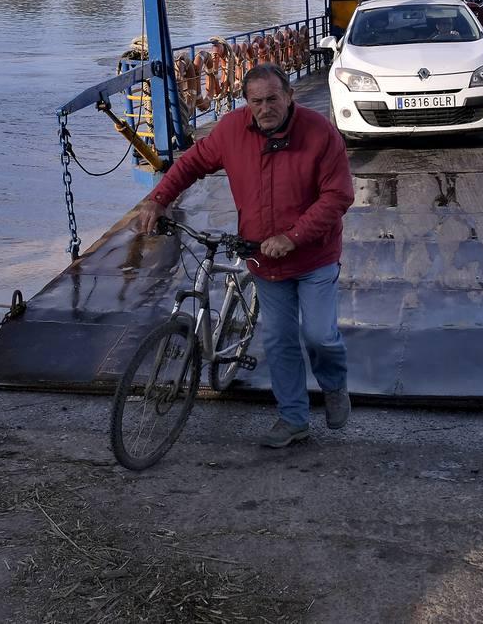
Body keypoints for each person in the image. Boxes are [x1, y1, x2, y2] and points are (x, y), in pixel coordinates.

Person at [135, 63, 355, 449]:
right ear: (246, 103)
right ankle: (293, 419)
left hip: (314, 256)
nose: (266, 107)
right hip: (263, 260)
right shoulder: (231, 131)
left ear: (290, 96)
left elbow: (338, 196)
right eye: (257, 101)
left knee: (320, 336)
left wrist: (294, 236)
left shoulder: (321, 134)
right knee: (279, 340)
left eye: (273, 98)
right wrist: (158, 199)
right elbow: (190, 164)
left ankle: (334, 387)